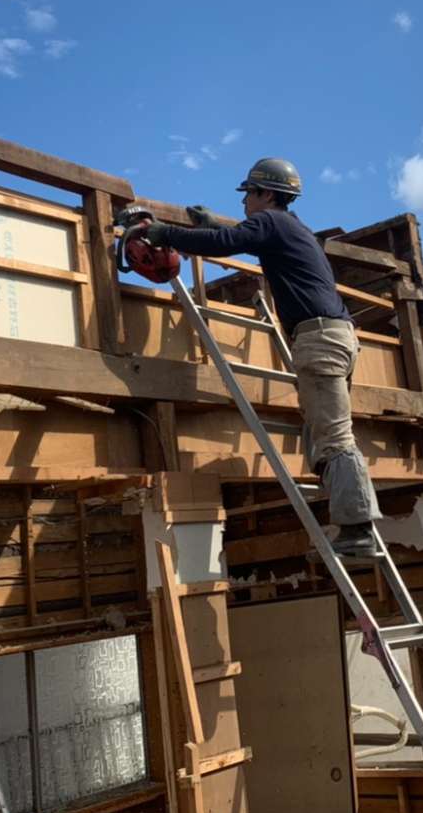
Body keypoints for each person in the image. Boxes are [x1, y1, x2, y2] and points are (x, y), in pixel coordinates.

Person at [141, 157, 383, 559]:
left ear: (267, 194)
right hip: (337, 337)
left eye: (248, 194)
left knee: (334, 437)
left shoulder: (272, 222)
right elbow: (240, 236)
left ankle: (358, 530)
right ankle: (351, 518)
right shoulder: (292, 227)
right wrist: (211, 225)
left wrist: (163, 232)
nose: (243, 202)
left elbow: (228, 243)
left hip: (319, 339)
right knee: (322, 435)